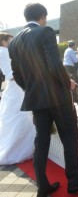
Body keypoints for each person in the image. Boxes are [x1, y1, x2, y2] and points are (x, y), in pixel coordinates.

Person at [8, 3, 78, 197]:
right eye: (46, 18)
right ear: (42, 16)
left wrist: (30, 90)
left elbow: (17, 74)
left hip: (36, 100)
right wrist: (68, 83)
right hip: (57, 97)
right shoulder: (45, 31)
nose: (46, 21)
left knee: (41, 141)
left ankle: (43, 186)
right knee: (70, 137)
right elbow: (54, 65)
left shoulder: (14, 42)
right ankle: (74, 182)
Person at [0, 32, 35, 165]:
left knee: (20, 117)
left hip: (17, 88)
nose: (13, 43)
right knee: (19, 117)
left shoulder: (6, 52)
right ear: (3, 41)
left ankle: (21, 147)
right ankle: (15, 150)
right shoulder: (3, 52)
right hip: (16, 88)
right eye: (11, 40)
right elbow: (10, 74)